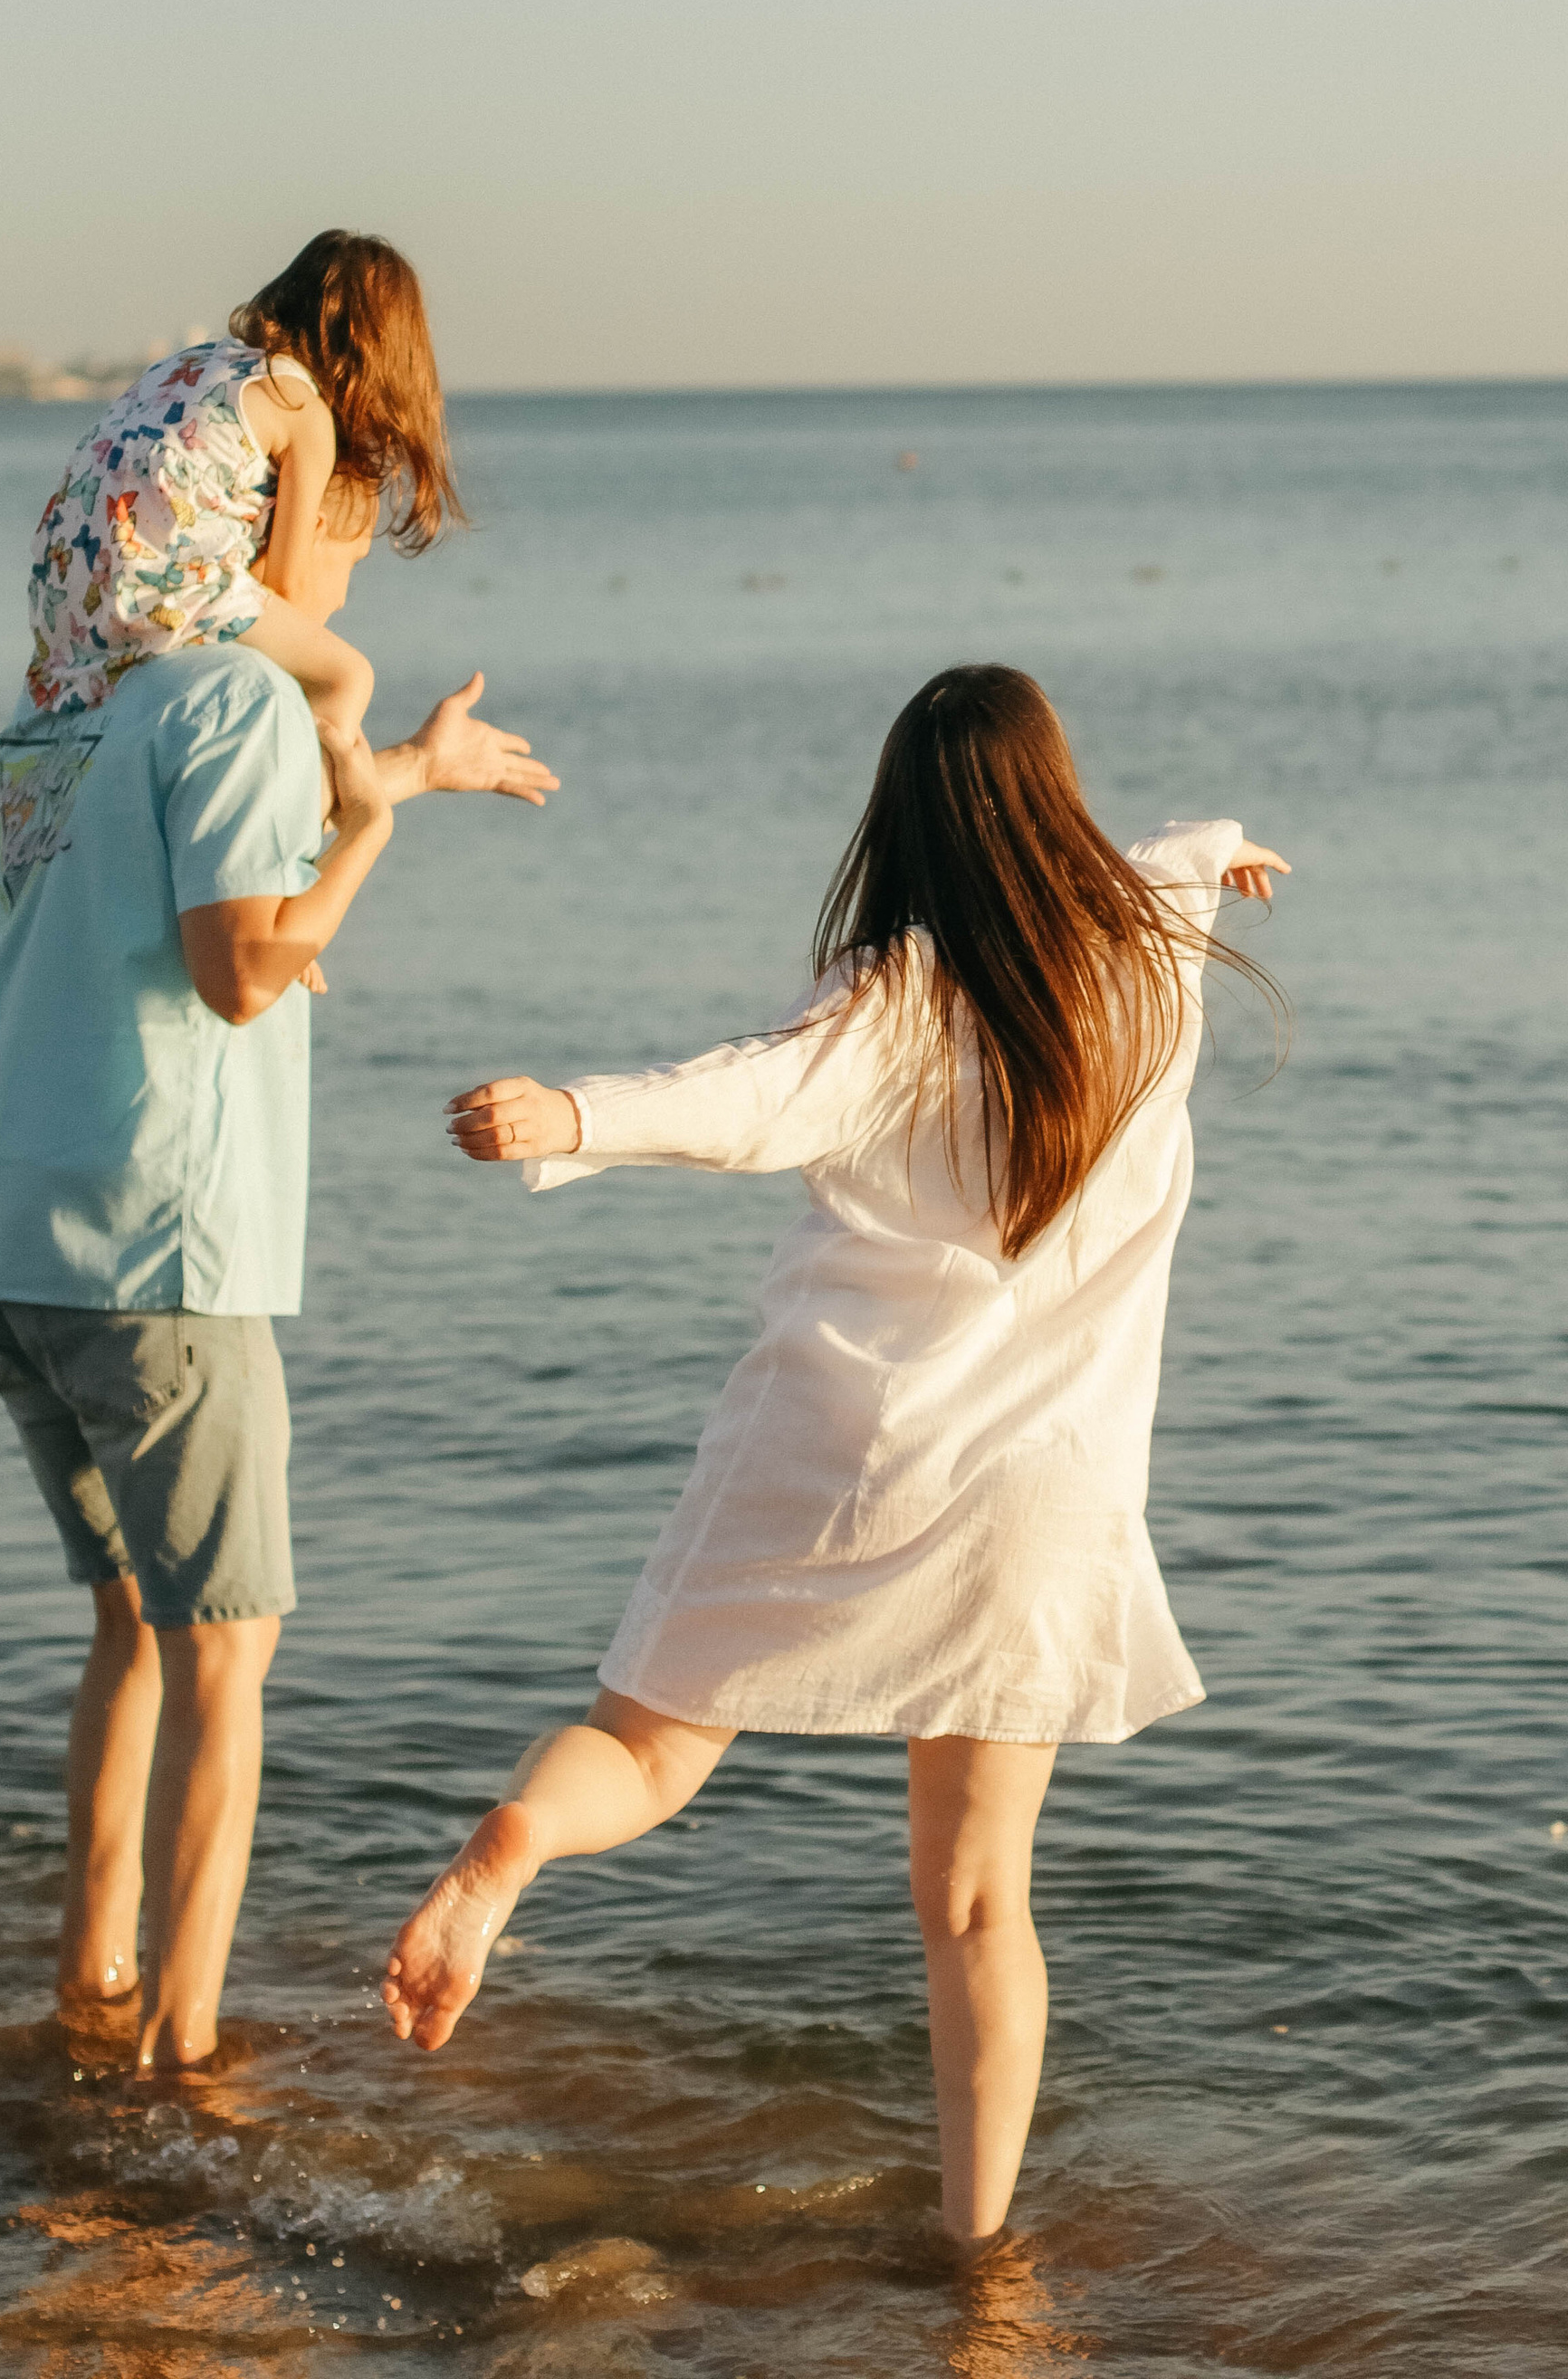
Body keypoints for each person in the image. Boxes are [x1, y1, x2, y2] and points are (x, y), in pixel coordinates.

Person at [382, 663, 1288, 2248]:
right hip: (1045, 1494)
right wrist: (1222, 850)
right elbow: (1168, 858)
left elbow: (742, 1103)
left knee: (655, 1750)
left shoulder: (896, 1001)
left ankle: (509, 1853)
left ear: (906, 825)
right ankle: (977, 2252)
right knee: (982, 1904)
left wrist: (569, 1117)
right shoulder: (1155, 964)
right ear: (1054, 804)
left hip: (843, 1443)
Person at [0, 470, 557, 2073]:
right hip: (163, 1242)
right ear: (271, 523)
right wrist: (368, 828)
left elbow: (179, 872)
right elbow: (242, 970)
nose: (359, 565)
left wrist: (404, 769)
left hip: (15, 1227)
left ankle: (90, 1997)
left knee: (133, 1631)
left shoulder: (79, 699)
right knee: (224, 1651)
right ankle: (176, 2060)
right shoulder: (238, 698)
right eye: (354, 524)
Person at [23, 228, 460, 750]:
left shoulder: (194, 363)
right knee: (348, 677)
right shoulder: (303, 410)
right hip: (159, 583)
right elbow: (290, 588)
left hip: (61, 591)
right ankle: (345, 809)